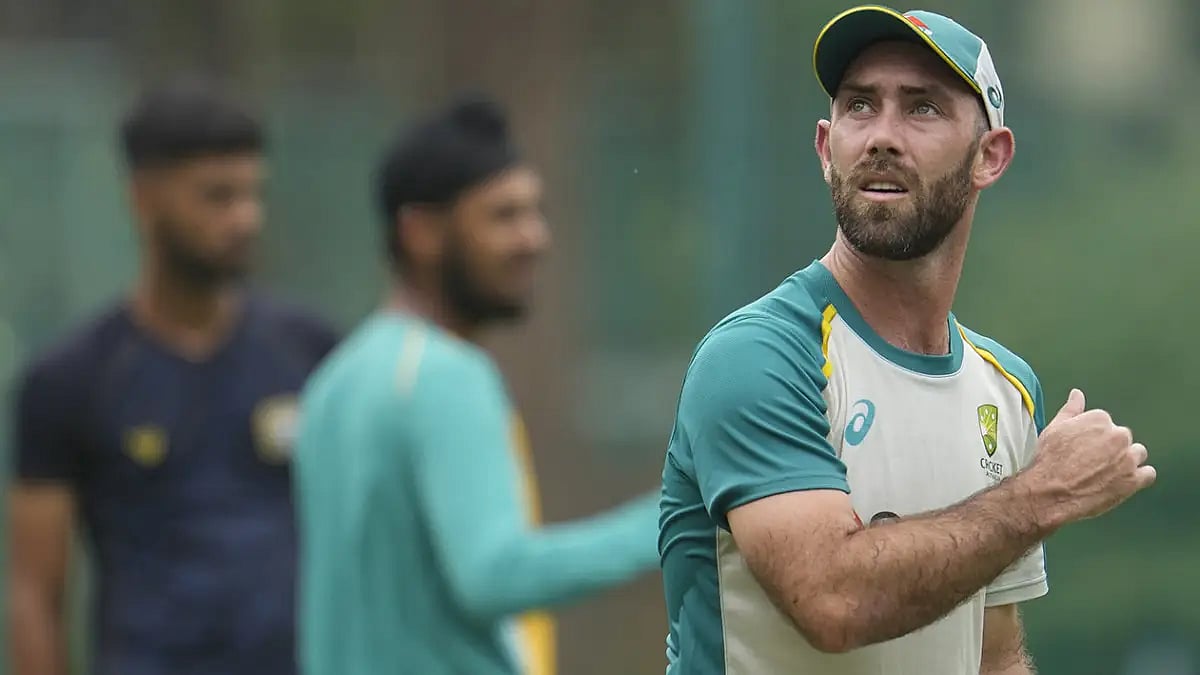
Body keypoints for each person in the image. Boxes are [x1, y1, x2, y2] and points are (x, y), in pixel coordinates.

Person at [658, 6, 1157, 674]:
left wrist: (1034, 497)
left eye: (922, 108)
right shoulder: (759, 357)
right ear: (825, 147)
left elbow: (994, 655)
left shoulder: (1006, 389)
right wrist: (1042, 494)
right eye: (860, 106)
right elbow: (831, 600)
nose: (882, 137)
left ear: (990, 156)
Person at [292, 95, 660, 675]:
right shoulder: (445, 375)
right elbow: (493, 575)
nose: (534, 238)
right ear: (421, 232)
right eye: (503, 216)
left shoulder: (335, 381)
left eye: (535, 212)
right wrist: (667, 520)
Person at [6, 78, 338, 675]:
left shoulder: (311, 353)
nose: (244, 219)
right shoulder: (72, 379)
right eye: (217, 197)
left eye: (252, 195)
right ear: (144, 199)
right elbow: (35, 594)